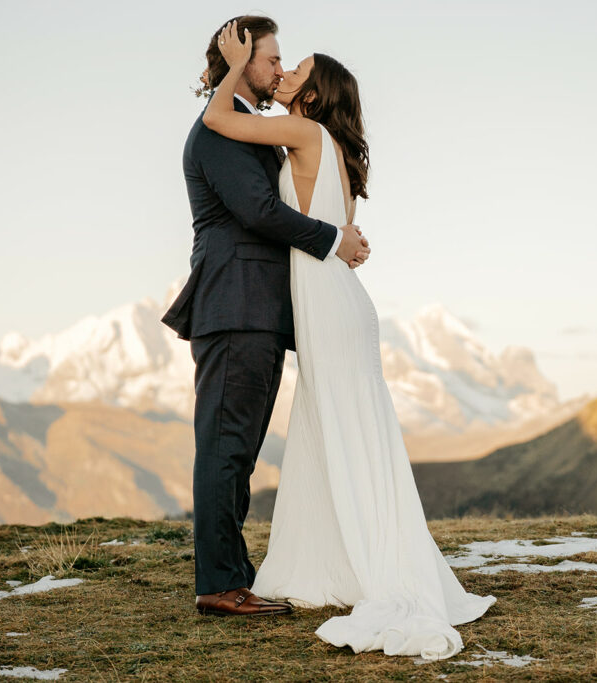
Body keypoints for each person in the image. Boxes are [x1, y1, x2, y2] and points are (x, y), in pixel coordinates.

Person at [200, 20, 496, 660]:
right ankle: (344, 562)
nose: (283, 73)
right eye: (280, 62)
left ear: (315, 92)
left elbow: (219, 120)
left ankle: (379, 572)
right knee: (341, 426)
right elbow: (333, 229)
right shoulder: (324, 144)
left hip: (331, 311)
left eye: (295, 68)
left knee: (342, 424)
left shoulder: (304, 132)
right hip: (336, 307)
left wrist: (233, 63)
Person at [161, 15, 371, 618]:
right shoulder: (218, 133)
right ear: (241, 61)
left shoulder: (253, 129)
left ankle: (233, 573)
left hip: (259, 309)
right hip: (235, 304)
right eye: (273, 59)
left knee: (241, 449)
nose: (281, 69)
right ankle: (219, 583)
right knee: (226, 447)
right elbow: (255, 210)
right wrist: (333, 239)